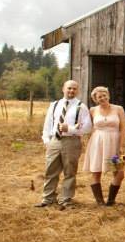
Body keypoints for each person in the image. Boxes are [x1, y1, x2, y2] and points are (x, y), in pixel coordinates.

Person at [37, 80, 93, 208]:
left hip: (72, 142)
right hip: (54, 141)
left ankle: (65, 200)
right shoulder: (54, 105)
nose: (71, 91)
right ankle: (48, 199)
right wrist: (47, 140)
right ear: (63, 89)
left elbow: (88, 127)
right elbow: (48, 124)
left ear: (77, 91)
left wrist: (71, 129)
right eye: (69, 88)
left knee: (70, 172)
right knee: (50, 171)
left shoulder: (81, 106)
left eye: (74, 89)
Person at [82, 86, 125, 206]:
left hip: (115, 143)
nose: (103, 98)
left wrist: (121, 145)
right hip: (97, 143)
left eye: (104, 95)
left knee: (119, 172)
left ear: (108, 95)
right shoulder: (92, 110)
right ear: (95, 99)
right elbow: (87, 127)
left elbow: (123, 128)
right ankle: (100, 202)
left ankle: (111, 200)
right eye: (99, 97)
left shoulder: (119, 109)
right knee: (96, 171)